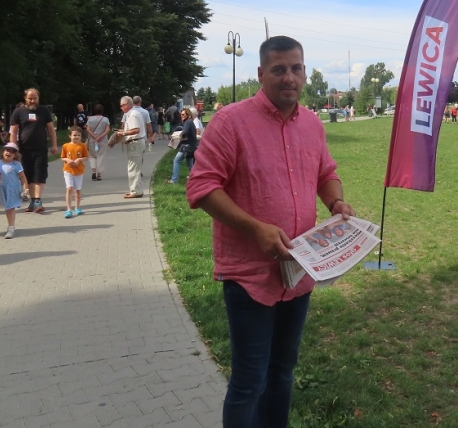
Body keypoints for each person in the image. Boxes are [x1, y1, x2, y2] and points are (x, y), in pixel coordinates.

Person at [186, 35, 354, 427]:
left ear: (305, 73)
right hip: (250, 276)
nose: (288, 77)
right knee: (249, 382)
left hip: (300, 269)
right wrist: (256, 228)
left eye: (295, 68)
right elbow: (202, 187)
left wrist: (336, 203)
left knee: (282, 373)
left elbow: (326, 173)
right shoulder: (231, 121)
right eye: (279, 69)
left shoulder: (311, 123)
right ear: (261, 74)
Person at [9, 88, 58, 213]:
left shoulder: (44, 111)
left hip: (40, 149)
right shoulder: (18, 112)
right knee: (28, 175)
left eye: (35, 98)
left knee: (39, 174)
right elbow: (13, 131)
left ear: (38, 98)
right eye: (30, 98)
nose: (33, 101)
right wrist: (13, 148)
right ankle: (33, 201)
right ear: (25, 98)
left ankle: (38, 201)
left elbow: (50, 129)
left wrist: (54, 145)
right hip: (24, 150)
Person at [0, 142, 29, 239]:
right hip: (2, 189)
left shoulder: (16, 164)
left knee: (10, 208)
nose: (9, 153)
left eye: (12, 152)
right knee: (7, 208)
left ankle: (11, 228)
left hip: (13, 189)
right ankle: (11, 226)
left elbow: (22, 177)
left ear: (15, 155)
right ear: (3, 152)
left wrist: (25, 189)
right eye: (7, 150)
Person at [115, 95, 147, 199]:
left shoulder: (133, 114)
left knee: (133, 168)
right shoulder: (131, 114)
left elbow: (136, 130)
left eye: (122, 105)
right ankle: (136, 189)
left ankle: (135, 191)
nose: (121, 107)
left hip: (135, 142)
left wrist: (123, 133)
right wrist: (123, 131)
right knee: (135, 168)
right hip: (135, 142)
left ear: (128, 104)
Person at [61, 127, 89, 218]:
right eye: (74, 135)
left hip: (79, 171)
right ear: (70, 136)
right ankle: (69, 209)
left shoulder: (82, 146)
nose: (76, 137)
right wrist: (67, 160)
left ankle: (77, 207)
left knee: (77, 190)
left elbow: (86, 157)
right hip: (68, 170)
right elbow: (62, 157)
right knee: (69, 188)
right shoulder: (65, 146)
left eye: (78, 135)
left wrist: (79, 160)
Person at [168, 108, 198, 184]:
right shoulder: (190, 122)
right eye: (181, 114)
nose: (182, 116)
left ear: (188, 115)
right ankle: (197, 179)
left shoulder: (187, 122)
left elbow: (185, 132)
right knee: (189, 164)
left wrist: (177, 136)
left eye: (183, 114)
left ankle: (174, 180)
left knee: (176, 161)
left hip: (186, 146)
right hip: (192, 146)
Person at [84, 104, 110, 181]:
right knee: (101, 156)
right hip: (103, 140)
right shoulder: (105, 119)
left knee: (92, 156)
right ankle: (99, 174)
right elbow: (107, 130)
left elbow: (88, 129)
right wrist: (100, 137)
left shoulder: (90, 119)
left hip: (92, 141)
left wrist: (94, 137)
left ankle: (93, 171)